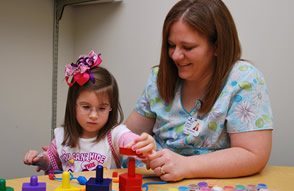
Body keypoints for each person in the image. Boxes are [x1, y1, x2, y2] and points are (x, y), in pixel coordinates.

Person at [125, 0, 273, 181]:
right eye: (171, 45)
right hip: (150, 183)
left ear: (217, 46)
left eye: (187, 47)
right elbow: (126, 135)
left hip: (207, 189)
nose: (176, 56)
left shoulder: (244, 79)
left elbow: (253, 155)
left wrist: (187, 166)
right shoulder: (160, 77)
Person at [24, 50, 155, 172]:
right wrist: (41, 160)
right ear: (73, 105)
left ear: (111, 108)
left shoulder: (114, 134)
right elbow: (52, 164)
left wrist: (143, 145)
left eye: (102, 108)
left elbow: (129, 140)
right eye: (86, 107)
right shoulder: (63, 136)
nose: (93, 115)